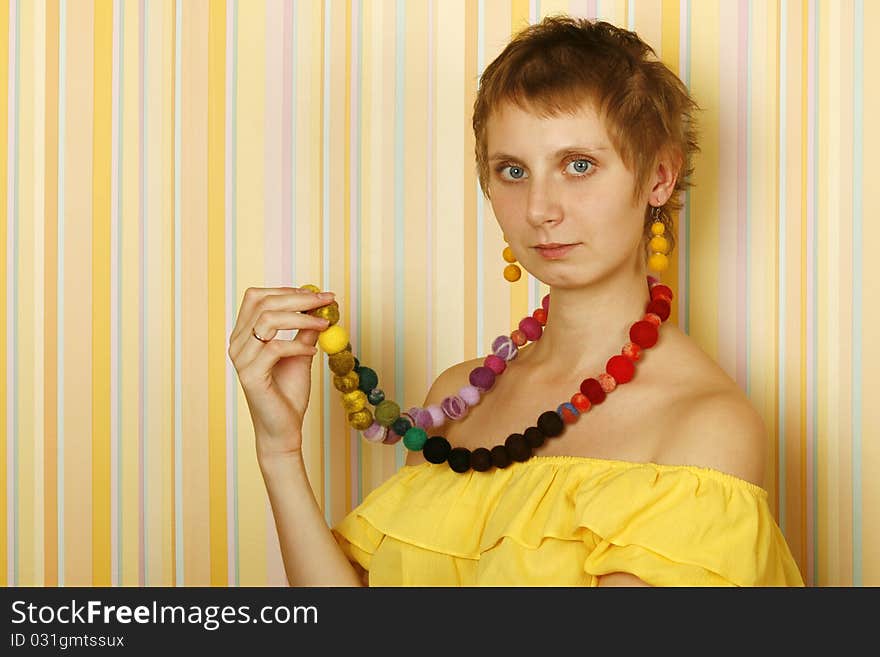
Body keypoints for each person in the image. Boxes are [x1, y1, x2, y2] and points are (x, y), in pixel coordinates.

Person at [228, 16, 804, 587]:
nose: (539, 209)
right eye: (512, 171)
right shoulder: (457, 398)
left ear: (658, 176)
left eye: (579, 165)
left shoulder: (706, 427)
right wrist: (279, 451)